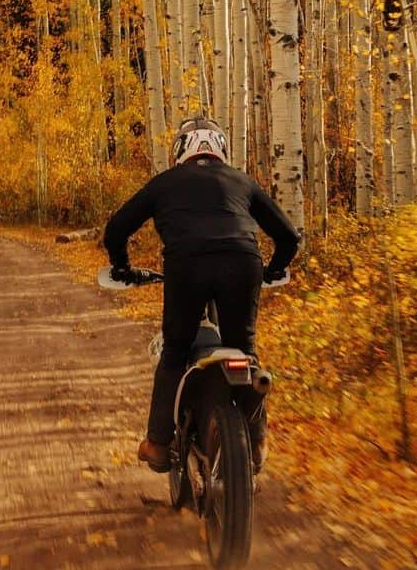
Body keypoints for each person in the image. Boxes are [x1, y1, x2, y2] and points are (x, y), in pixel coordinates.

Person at [103, 119, 300, 475]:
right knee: (245, 350)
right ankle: (255, 441)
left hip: (187, 266)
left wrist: (122, 267)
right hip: (242, 263)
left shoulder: (166, 183)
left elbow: (116, 229)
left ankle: (159, 444)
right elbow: (289, 237)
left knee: (176, 352)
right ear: (221, 149)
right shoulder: (241, 181)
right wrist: (272, 269)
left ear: (181, 151)